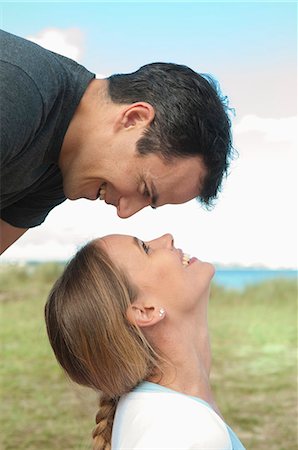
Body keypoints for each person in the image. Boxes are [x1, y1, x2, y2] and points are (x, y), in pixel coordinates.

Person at [0, 30, 234, 254]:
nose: (124, 213)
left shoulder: (67, 166)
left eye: (147, 203)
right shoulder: (17, 94)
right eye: (145, 189)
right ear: (134, 119)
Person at [45, 233, 246, 450]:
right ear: (145, 311)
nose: (167, 238)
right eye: (146, 249)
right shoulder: (191, 434)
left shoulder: (157, 412)